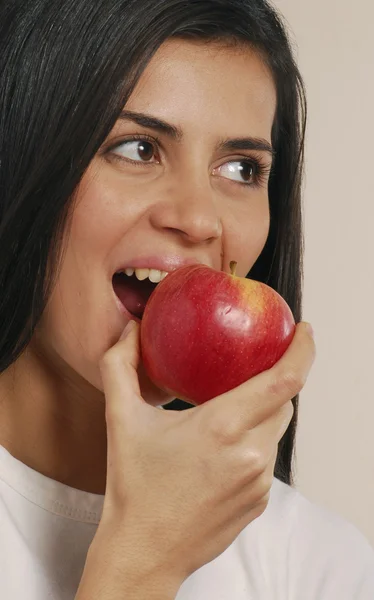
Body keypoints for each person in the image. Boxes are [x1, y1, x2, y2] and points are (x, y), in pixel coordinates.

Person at [0, 0, 373, 598]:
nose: (201, 219)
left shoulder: (319, 566)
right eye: (138, 149)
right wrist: (140, 564)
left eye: (241, 168)